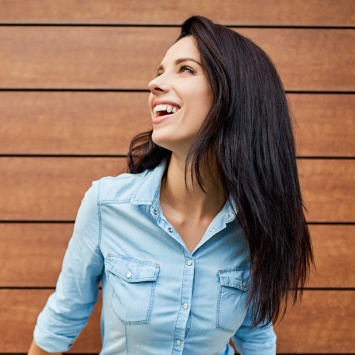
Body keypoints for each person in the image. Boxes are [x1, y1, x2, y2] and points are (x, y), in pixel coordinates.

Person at [28, 15, 313, 355]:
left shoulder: (258, 225)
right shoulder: (106, 205)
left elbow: (257, 339)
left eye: (185, 69)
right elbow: (61, 321)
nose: (155, 83)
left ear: (234, 94)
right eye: (160, 70)